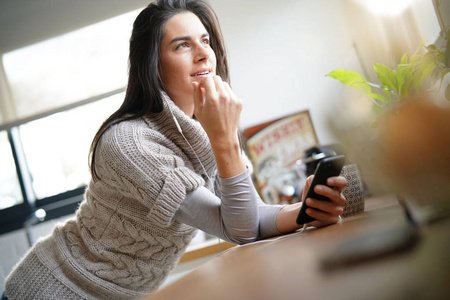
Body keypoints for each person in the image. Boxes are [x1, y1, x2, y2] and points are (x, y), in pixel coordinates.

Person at [3, 0, 347, 299]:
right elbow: (240, 229)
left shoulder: (204, 131)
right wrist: (225, 138)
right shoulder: (129, 143)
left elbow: (249, 218)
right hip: (52, 290)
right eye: (182, 45)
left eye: (205, 41)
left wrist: (305, 212)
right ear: (154, 65)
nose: (203, 54)